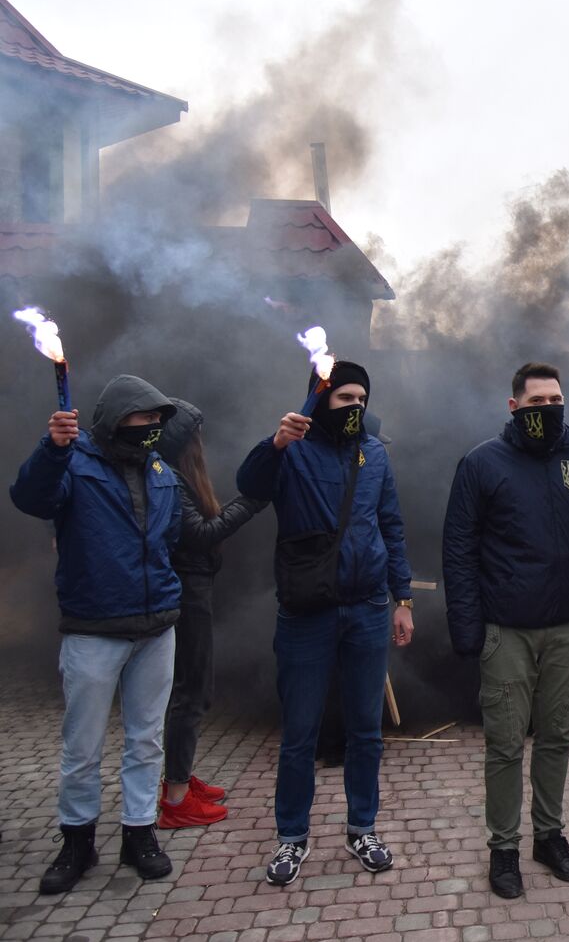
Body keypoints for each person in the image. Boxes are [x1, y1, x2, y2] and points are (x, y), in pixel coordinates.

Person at [443, 362, 569, 900]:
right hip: (506, 633)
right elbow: (458, 549)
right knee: (505, 745)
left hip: (567, 631)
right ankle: (503, 849)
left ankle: (548, 836)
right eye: (536, 403)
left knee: (556, 739)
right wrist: (467, 628)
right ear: (513, 407)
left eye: (555, 400)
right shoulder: (483, 464)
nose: (547, 410)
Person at [237, 360, 414, 887]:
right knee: (300, 734)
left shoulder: (376, 454)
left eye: (362, 398)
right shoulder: (292, 450)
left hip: (367, 610)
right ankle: (291, 838)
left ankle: (363, 827)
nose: (355, 406)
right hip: (306, 613)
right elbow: (249, 484)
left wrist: (402, 598)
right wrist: (275, 443)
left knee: (366, 731)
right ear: (321, 401)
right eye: (344, 399)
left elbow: (392, 526)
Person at [11, 375, 181, 894]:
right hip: (93, 629)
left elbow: (168, 539)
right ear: (113, 420)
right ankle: (77, 841)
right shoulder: (72, 462)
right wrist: (52, 448)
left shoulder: (161, 470)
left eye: (158, 419)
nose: (151, 426)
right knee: (82, 745)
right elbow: (30, 497)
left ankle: (139, 833)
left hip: (156, 629)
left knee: (146, 740)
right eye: (142, 417)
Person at [158, 399, 267, 829]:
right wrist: (252, 502)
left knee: (193, 688)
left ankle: (179, 779)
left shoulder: (179, 479)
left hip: (194, 587)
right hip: (187, 592)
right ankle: (177, 799)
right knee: (192, 692)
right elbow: (202, 534)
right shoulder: (173, 480)